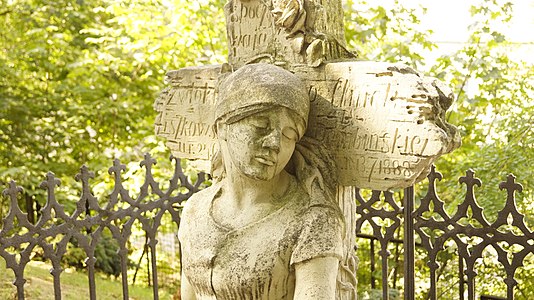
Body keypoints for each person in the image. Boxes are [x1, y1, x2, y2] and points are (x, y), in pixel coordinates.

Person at [178, 63, 345, 300]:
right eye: (261, 126)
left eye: (289, 135)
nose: (275, 143)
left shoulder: (313, 219)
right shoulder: (195, 210)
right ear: (222, 126)